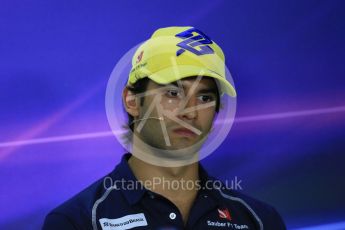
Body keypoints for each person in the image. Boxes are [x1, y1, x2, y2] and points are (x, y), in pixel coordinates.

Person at [42, 26, 286, 230]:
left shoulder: (259, 220)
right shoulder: (78, 221)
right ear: (132, 101)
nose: (190, 112)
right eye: (173, 93)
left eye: (204, 98)